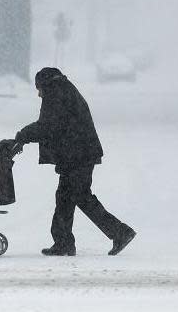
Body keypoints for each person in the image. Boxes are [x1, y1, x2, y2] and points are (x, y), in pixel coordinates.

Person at [15, 67, 136, 256]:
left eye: (38, 89)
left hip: (78, 154)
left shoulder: (56, 92)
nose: (38, 94)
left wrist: (23, 135)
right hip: (77, 153)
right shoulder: (63, 88)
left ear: (44, 84)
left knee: (80, 196)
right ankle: (63, 242)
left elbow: (48, 126)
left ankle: (120, 232)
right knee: (65, 197)